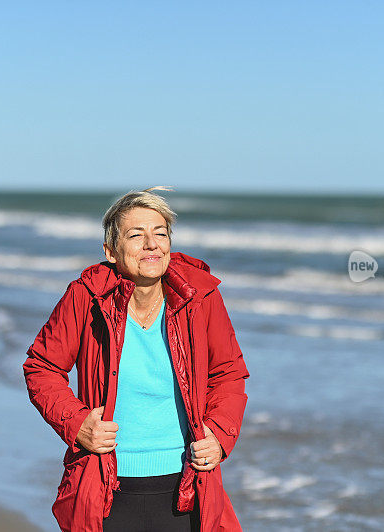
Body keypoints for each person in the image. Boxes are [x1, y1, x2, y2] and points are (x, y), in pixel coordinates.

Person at [23, 186, 250, 531]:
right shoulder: (87, 297)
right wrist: (77, 423)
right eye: (136, 235)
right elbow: (42, 367)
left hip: (186, 487)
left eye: (160, 233)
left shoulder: (200, 297)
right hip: (107, 488)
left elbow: (228, 374)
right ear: (111, 251)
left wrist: (219, 434)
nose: (151, 244)